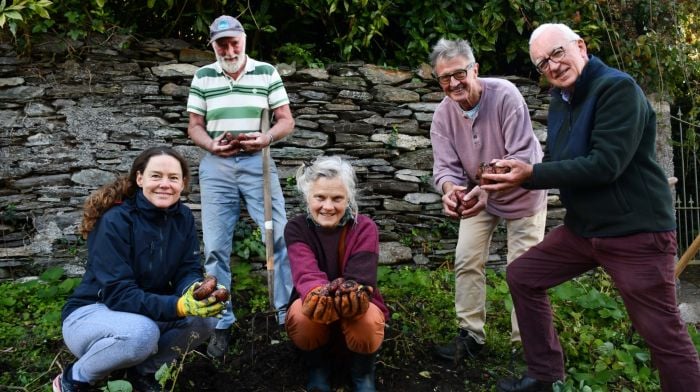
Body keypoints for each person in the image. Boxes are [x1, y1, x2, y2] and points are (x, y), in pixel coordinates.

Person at [481, 23, 700, 391]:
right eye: (542, 63)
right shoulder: (561, 100)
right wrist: (498, 184)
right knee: (523, 275)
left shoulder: (617, 89)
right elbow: (556, 162)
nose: (552, 65)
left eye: (557, 53)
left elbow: (605, 164)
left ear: (580, 46)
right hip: (584, 231)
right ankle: (544, 375)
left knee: (662, 334)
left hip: (636, 233)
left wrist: (530, 174)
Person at [52, 147, 223, 392]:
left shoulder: (183, 217)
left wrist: (194, 291)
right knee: (143, 333)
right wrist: (178, 306)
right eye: (156, 176)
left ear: (183, 183)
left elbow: (188, 268)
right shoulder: (115, 220)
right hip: (93, 313)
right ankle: (74, 379)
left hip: (144, 313)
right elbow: (119, 294)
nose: (165, 184)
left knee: (206, 318)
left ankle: (141, 374)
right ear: (140, 178)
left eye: (173, 178)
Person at [429, 38, 547, 362]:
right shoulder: (442, 116)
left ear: (474, 69)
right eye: (444, 78)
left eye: (459, 73)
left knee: (523, 271)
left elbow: (522, 154)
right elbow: (445, 168)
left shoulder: (505, 95)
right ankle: (470, 335)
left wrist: (483, 187)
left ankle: (525, 347)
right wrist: (450, 190)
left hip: (524, 193)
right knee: (466, 258)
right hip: (478, 195)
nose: (453, 83)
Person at [186, 15, 295, 359]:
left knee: (278, 235)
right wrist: (210, 145)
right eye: (222, 44)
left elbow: (286, 120)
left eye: (234, 42)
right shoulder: (203, 76)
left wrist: (265, 138)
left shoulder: (266, 73)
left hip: (257, 163)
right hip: (216, 166)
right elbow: (194, 126)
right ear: (213, 45)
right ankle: (221, 323)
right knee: (216, 246)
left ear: (244, 40)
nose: (229, 49)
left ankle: (286, 317)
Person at [284, 156, 390, 392]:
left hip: (353, 307)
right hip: (315, 302)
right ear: (308, 198)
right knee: (302, 316)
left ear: (348, 199)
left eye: (337, 198)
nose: (328, 206)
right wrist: (317, 294)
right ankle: (318, 368)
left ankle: (362, 373)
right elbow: (305, 272)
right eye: (320, 197)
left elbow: (360, 277)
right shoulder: (297, 228)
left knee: (368, 318)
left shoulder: (364, 227)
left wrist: (354, 294)